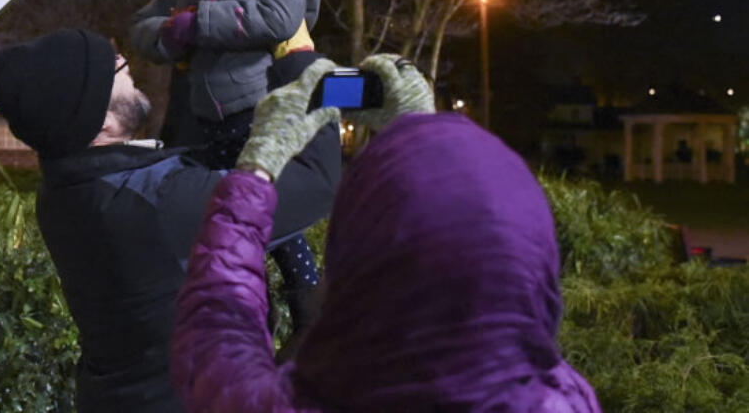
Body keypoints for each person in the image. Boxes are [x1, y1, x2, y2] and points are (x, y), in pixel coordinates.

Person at [170, 56, 602, 412]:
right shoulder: (564, 400)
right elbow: (495, 302)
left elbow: (218, 319)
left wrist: (259, 164)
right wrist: (425, 139)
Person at [0, 29, 342, 413]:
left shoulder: (66, 190)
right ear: (100, 123)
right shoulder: (154, 205)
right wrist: (303, 65)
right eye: (114, 71)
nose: (125, 65)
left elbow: (182, 158)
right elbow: (315, 182)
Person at [130, 0, 336, 333]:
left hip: (258, 109)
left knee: (262, 211)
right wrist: (171, 30)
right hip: (208, 122)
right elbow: (142, 28)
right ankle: (255, 309)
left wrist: (198, 22)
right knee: (234, 222)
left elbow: (276, 18)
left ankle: (309, 299)